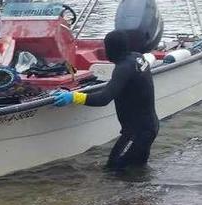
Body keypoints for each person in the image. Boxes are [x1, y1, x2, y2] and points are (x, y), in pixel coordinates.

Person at [53, 30, 159, 169]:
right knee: (137, 169)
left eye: (105, 47)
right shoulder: (137, 58)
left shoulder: (123, 68)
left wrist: (73, 97)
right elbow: (124, 84)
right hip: (149, 127)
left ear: (112, 49)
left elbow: (104, 98)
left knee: (113, 169)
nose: (104, 50)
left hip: (138, 133)